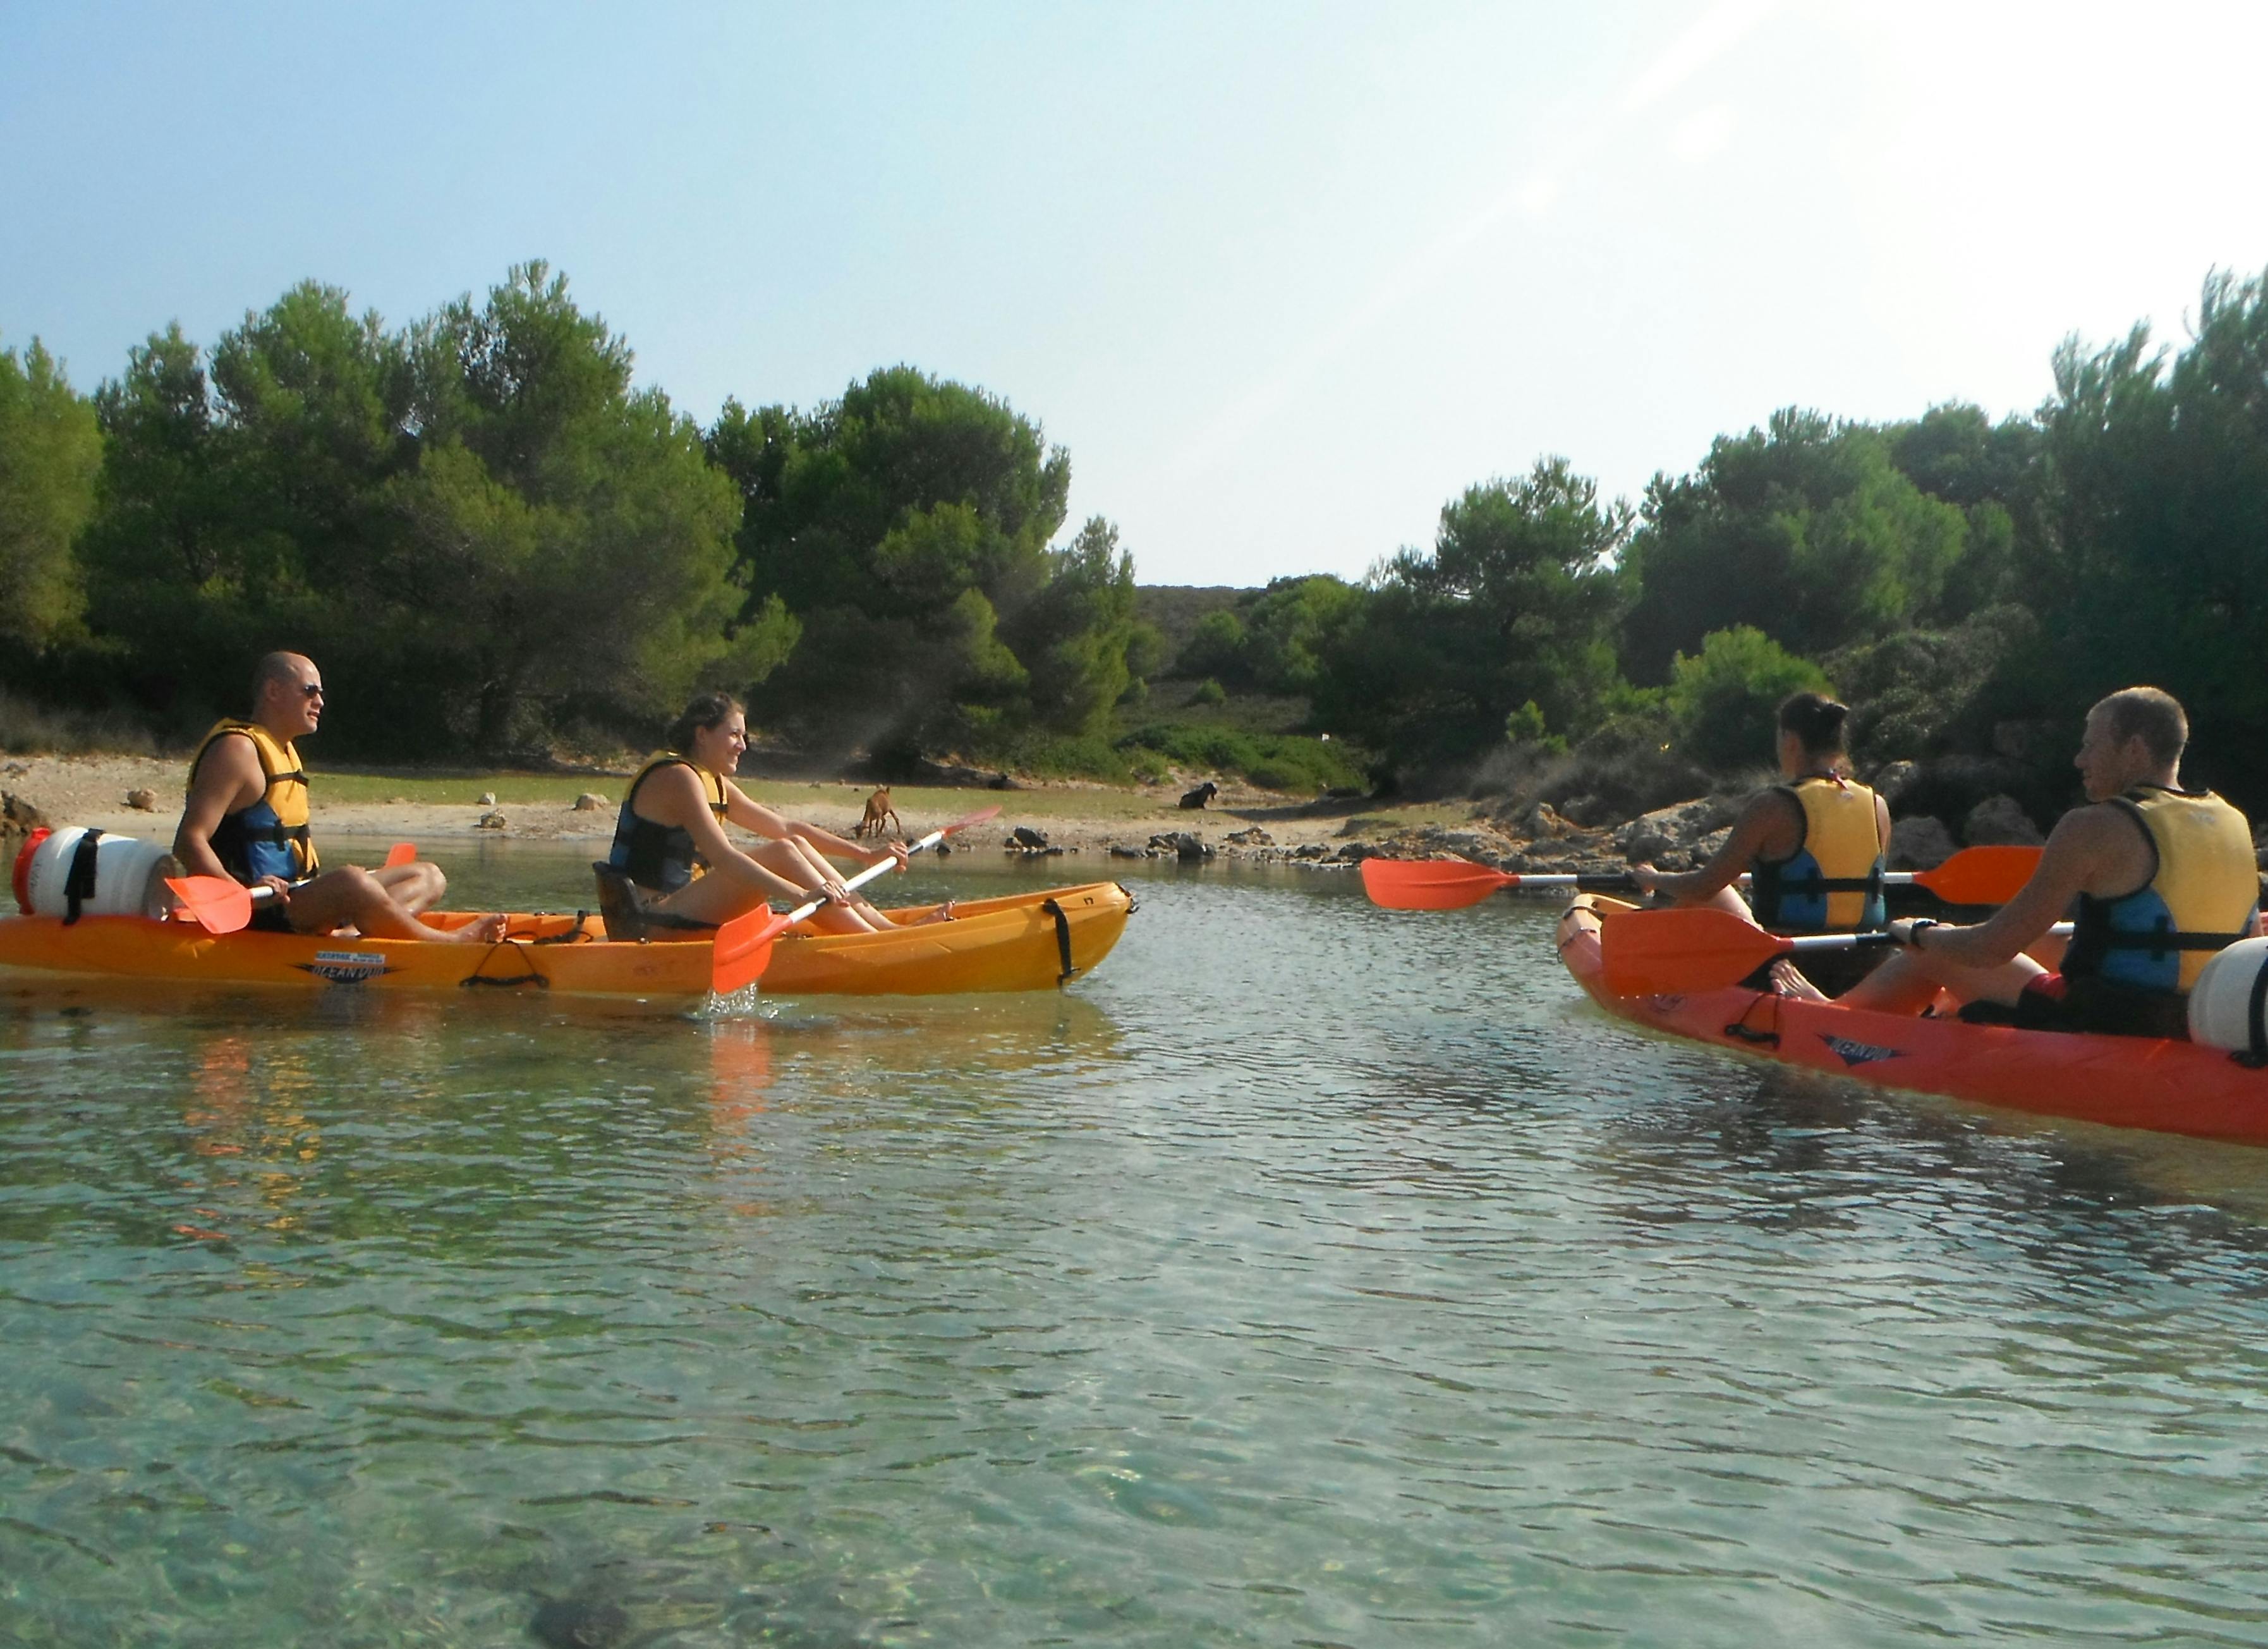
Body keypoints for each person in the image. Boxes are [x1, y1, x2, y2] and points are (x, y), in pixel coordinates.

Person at [1840, 686, 2259, 1037]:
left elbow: (1990, 947)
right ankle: (1946, 1013)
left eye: (2090, 745)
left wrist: (1919, 933)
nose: (2079, 760)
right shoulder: (2233, 821)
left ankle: (1824, 1018)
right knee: (2048, 942)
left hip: (2106, 1019)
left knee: (1936, 948)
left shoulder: (2092, 825)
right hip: (2198, 1020)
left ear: (2133, 749)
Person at [175, 652, 506, 942]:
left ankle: (354, 933)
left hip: (296, 895)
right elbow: (190, 842)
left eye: (320, 692)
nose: (320, 701)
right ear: (273, 691)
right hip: (259, 906)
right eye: (309, 691)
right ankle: (445, 944)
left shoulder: (281, 748)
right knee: (351, 880)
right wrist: (242, 896)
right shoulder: (237, 750)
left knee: (428, 875)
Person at [603, 691, 938, 936]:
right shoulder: (678, 778)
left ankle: (887, 929)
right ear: (702, 734)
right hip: (648, 921)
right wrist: (801, 896)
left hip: (680, 908)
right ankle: (872, 941)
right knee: (782, 852)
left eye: (743, 736)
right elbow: (725, 858)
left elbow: (784, 826)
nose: (743, 745)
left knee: (793, 843)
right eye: (734, 734)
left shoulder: (711, 781)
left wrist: (864, 854)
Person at [1630, 691, 1891, 999]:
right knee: (1726, 894)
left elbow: (1704, 886)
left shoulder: (1774, 806)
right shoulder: (1877, 806)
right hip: (1866, 962)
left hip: (1792, 964)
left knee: (1715, 892)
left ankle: (1655, 978)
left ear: (1791, 740)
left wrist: (1654, 878)